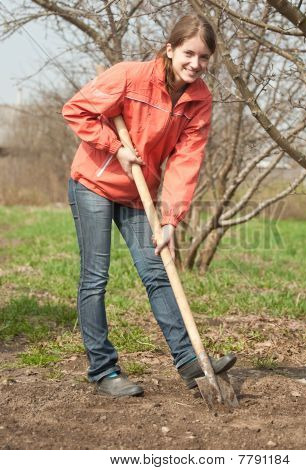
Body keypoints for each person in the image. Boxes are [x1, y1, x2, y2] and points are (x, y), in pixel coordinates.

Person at [63, 14, 236, 397]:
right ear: (170, 49)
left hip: (138, 194)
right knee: (96, 276)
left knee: (157, 271)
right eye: (189, 53)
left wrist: (171, 219)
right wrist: (116, 148)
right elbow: (75, 110)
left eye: (204, 57)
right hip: (94, 182)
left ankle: (189, 361)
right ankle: (104, 371)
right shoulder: (130, 76)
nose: (195, 63)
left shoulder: (199, 99)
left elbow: (186, 161)